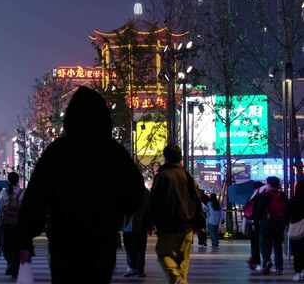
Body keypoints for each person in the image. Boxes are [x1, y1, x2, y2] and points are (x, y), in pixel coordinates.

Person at [17, 87, 146, 283]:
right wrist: (116, 213)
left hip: (64, 241)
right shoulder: (113, 153)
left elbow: (36, 197)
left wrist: (26, 235)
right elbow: (136, 194)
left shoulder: (57, 152)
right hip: (102, 240)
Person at [150, 145, 205, 284]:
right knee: (183, 263)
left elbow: (154, 201)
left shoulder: (162, 176)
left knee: (163, 253)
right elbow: (196, 199)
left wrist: (150, 221)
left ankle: (178, 280)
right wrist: (199, 223)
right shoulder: (186, 174)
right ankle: (180, 280)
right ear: (180, 157)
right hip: (187, 227)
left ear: (166, 157)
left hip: (169, 226)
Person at [254, 176, 288, 275]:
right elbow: (287, 210)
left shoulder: (264, 195)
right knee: (278, 246)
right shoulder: (282, 195)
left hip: (266, 222)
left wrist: (256, 222)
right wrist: (285, 222)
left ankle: (267, 262)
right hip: (279, 223)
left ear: (268, 184)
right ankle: (279, 268)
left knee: (265, 244)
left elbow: (258, 210)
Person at [0, 172, 23, 279]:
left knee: (5, 246)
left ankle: (10, 263)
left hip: (6, 222)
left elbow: (0, 208)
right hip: (19, 223)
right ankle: (14, 266)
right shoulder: (22, 192)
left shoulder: (3, 192)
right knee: (17, 246)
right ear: (18, 180)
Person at [122, 188, 151, 278]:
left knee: (137, 247)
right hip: (130, 223)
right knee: (132, 246)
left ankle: (136, 268)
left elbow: (149, 209)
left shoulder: (145, 192)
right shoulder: (145, 192)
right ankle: (134, 268)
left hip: (138, 223)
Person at [289, 180, 304, 281]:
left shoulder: (293, 200)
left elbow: (287, 214)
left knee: (297, 252)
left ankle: (298, 272)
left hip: (296, 228)